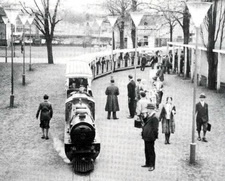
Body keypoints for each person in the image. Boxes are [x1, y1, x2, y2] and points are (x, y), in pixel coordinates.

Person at [141, 103, 159, 171]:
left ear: (151, 109)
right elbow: (145, 123)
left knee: (151, 151)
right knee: (146, 150)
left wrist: (154, 136)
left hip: (150, 136)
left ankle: (152, 165)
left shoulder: (154, 117)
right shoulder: (149, 115)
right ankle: (148, 163)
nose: (147, 110)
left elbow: (155, 128)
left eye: (148, 109)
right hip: (146, 136)